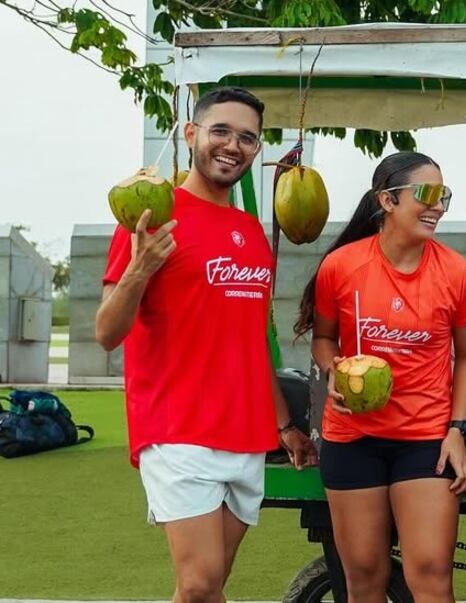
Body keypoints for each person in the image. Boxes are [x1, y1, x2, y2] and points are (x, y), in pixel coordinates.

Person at [96, 86, 317, 603]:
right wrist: (141, 267)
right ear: (192, 134)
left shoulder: (250, 232)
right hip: (177, 427)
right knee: (199, 584)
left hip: (245, 433)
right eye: (221, 131)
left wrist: (284, 425)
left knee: (206, 587)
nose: (232, 145)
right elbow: (107, 331)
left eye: (247, 137)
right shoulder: (148, 216)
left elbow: (250, 344)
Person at [295, 151, 466, 602]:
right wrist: (333, 369)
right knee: (363, 576)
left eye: (444, 196)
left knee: (432, 575)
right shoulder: (341, 266)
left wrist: (458, 430)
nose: (438, 206)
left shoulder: (455, 272)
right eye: (427, 194)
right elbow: (323, 339)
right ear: (388, 200)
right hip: (353, 436)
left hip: (424, 437)